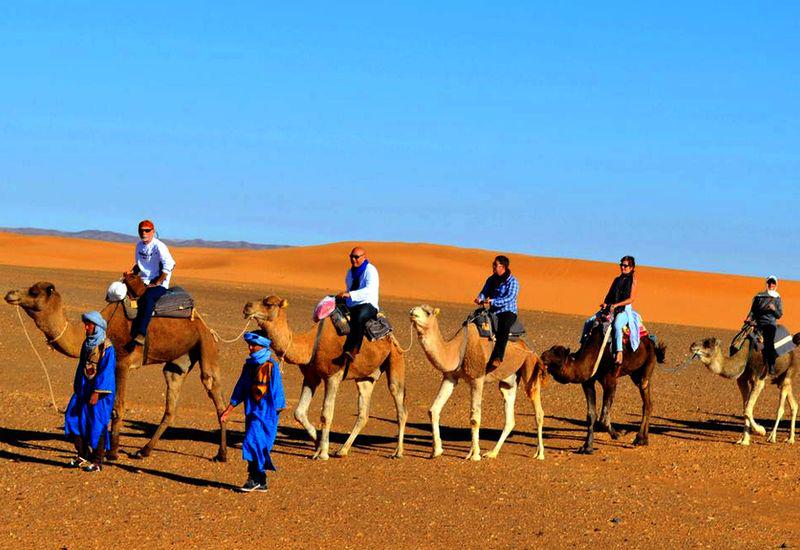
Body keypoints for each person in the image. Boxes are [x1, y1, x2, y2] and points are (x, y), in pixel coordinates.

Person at [220, 331, 286, 493]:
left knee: (253, 442)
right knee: (256, 444)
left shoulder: (271, 366)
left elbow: (277, 389)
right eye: (249, 345)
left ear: (262, 346)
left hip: (267, 413)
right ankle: (260, 480)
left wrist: (277, 409)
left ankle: (254, 479)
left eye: (253, 345)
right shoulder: (249, 366)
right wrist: (229, 409)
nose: (249, 348)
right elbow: (240, 388)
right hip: (251, 411)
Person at [64, 311, 116, 472]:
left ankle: (98, 461)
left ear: (97, 326)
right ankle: (83, 454)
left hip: (100, 393)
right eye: (85, 324)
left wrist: (97, 392)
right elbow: (82, 367)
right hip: (83, 389)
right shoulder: (87, 343)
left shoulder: (107, 347)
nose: (85, 327)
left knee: (97, 423)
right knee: (72, 419)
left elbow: (107, 372)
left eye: (89, 324)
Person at [124, 219, 176, 347]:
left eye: (147, 230)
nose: (144, 233)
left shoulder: (159, 246)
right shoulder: (139, 246)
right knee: (121, 292)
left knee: (147, 298)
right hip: (143, 281)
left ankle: (141, 333)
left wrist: (158, 282)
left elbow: (170, 264)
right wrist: (131, 273)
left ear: (153, 231)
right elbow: (139, 266)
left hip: (159, 284)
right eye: (141, 230)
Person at [581, 255, 639, 367]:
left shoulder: (633, 281)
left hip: (624, 310)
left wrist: (616, 305)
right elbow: (609, 296)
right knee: (589, 321)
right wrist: (606, 304)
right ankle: (583, 347)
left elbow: (631, 299)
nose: (623, 267)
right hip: (610, 307)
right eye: (621, 265)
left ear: (631, 267)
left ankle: (619, 352)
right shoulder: (616, 280)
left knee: (617, 325)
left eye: (625, 265)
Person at [333, 246, 380, 367]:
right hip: (352, 302)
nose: (354, 259)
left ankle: (353, 349)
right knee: (330, 306)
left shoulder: (370, 271)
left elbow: (370, 290)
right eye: (351, 257)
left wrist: (349, 294)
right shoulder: (350, 272)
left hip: (368, 304)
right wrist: (342, 296)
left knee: (358, 317)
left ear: (364, 257)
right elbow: (349, 288)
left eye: (356, 257)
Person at [475, 255, 519, 370]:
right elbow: (484, 291)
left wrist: (493, 301)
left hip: (507, 311)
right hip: (493, 311)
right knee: (474, 319)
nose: (493, 266)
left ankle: (498, 357)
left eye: (495, 264)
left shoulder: (512, 281)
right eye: (493, 264)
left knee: (503, 328)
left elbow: (510, 298)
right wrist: (480, 298)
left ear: (502, 267)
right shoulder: (491, 279)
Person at [745, 275, 783, 376]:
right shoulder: (759, 296)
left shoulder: (777, 298)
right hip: (757, 323)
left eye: (773, 283)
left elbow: (779, 315)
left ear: (776, 285)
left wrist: (774, 309)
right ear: (767, 284)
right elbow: (753, 311)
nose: (771, 285)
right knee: (742, 339)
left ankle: (771, 365)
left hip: (769, 324)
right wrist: (749, 318)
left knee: (769, 343)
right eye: (769, 283)